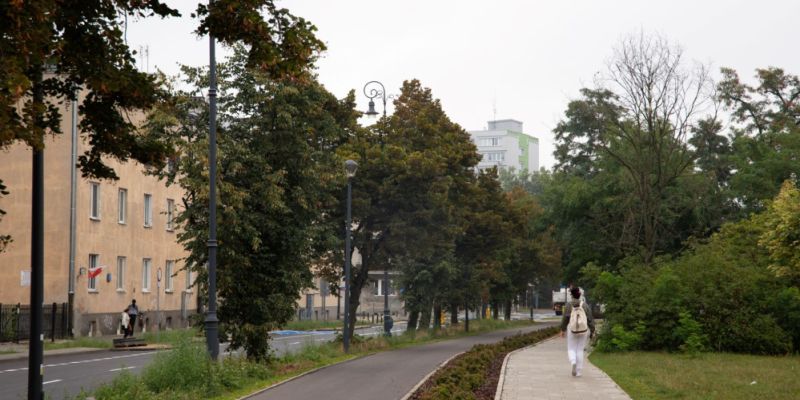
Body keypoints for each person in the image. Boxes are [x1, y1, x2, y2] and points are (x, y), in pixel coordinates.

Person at [560, 286, 595, 377]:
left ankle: (573, 361)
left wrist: (562, 329)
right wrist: (592, 330)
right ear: (580, 295)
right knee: (579, 349)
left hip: (572, 330)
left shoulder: (568, 305)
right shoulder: (584, 305)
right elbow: (590, 319)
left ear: (571, 295)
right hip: (583, 330)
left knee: (571, 348)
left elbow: (565, 319)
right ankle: (579, 372)